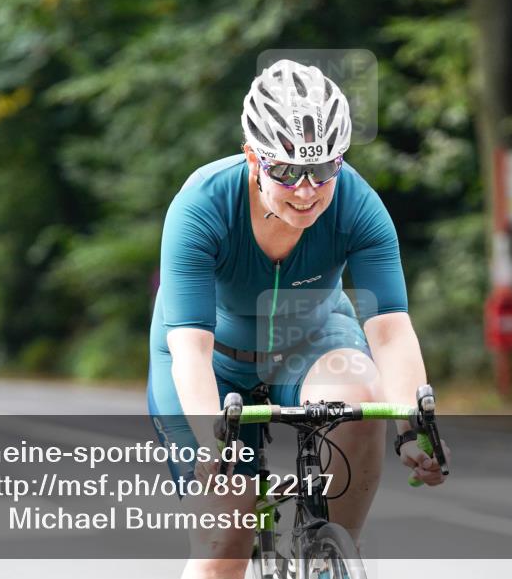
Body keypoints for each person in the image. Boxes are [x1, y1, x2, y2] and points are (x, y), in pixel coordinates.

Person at [147, 59, 449, 579]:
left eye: (323, 169)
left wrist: (411, 430)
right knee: (225, 539)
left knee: (360, 403)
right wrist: (211, 441)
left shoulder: (358, 204)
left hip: (311, 339)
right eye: (286, 171)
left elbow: (391, 330)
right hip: (211, 358)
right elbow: (191, 350)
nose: (307, 189)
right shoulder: (200, 206)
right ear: (252, 157)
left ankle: (335, 557)